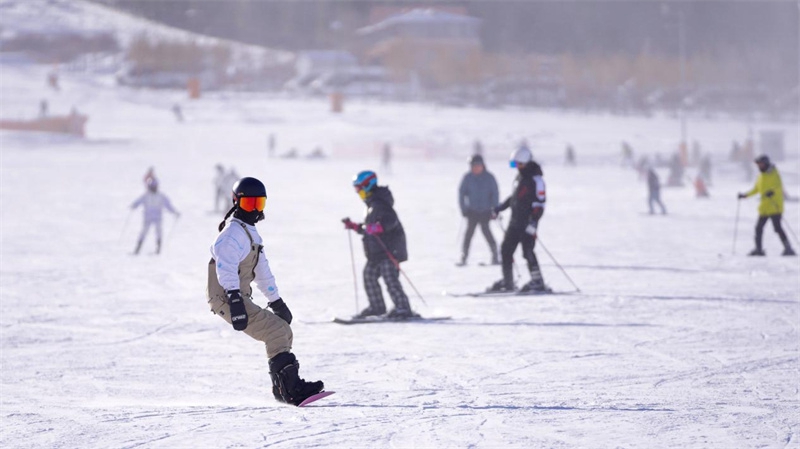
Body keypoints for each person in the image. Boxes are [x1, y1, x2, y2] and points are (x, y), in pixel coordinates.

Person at [207, 177, 325, 405]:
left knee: (284, 331)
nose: (254, 210)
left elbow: (263, 272)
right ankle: (290, 390)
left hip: (236, 297)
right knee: (276, 332)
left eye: (258, 204)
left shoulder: (249, 233)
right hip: (226, 297)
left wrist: (277, 301)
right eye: (249, 204)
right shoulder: (232, 235)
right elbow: (225, 267)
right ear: (236, 202)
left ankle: (285, 389)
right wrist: (234, 298)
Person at [342, 171, 417, 319]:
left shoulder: (381, 202)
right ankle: (377, 307)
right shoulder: (371, 204)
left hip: (389, 251)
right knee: (369, 275)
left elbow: (390, 221)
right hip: (377, 253)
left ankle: (403, 308)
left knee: (390, 278)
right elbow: (369, 228)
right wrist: (355, 227)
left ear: (367, 185)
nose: (357, 192)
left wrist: (380, 227)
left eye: (359, 188)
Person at [487, 146, 547, 293]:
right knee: (506, 250)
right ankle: (508, 282)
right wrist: (498, 208)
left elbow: (540, 204)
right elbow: (514, 199)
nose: (516, 167)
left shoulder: (536, 179)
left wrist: (533, 223)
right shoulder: (519, 177)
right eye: (514, 164)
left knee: (527, 251)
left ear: (525, 162)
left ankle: (537, 281)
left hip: (527, 223)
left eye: (518, 164)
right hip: (515, 222)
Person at [738, 155, 795, 256]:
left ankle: (788, 248)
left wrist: (772, 192)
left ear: (766, 163)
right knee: (758, 228)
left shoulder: (774, 173)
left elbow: (778, 186)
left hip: (775, 207)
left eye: (761, 164)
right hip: (764, 208)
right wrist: (745, 195)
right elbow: (756, 189)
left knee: (777, 228)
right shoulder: (761, 176)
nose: (759, 166)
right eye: (758, 164)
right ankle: (759, 249)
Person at [457, 154, 499, 266]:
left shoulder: (489, 178)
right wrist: (464, 209)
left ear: (482, 166)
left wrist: (495, 210)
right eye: (473, 166)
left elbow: (495, 194)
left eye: (478, 165)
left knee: (487, 233)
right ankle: (464, 256)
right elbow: (461, 194)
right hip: (472, 212)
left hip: (485, 211)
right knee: (468, 235)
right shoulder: (467, 178)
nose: (476, 168)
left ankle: (495, 255)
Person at [130, 178, 179, 255]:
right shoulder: (146, 196)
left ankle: (158, 250)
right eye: (152, 187)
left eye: (154, 186)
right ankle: (137, 250)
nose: (153, 188)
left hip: (157, 218)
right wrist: (134, 205)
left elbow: (168, 206)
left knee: (158, 233)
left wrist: (174, 212)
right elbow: (138, 201)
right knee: (143, 232)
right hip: (147, 218)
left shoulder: (161, 196)